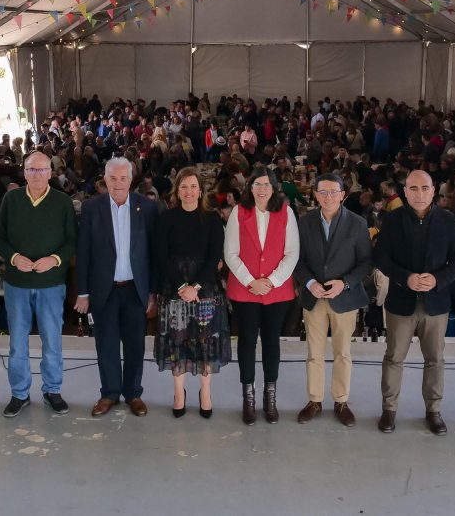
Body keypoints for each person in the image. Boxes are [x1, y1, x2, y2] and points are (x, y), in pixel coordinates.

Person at [373, 170, 455, 435]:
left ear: (433, 190)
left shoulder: (449, 221)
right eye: (413, 189)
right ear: (405, 192)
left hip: (436, 302)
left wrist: (437, 280)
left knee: (435, 358)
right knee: (394, 357)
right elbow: (381, 257)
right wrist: (405, 278)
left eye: (424, 188)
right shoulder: (392, 220)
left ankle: (433, 411)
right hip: (401, 301)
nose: (419, 194)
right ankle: (389, 409)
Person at [0, 151, 76, 419]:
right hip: (17, 284)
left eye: (42, 170)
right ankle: (19, 393)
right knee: (17, 341)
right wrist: (14, 258)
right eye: (31, 170)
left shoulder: (62, 202)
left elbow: (73, 241)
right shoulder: (12, 199)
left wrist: (55, 259)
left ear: (51, 172)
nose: (37, 175)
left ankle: (52, 390)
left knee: (52, 340)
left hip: (51, 284)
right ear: (24, 172)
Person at [76, 157, 158, 417]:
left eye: (123, 178)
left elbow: (153, 254)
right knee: (106, 345)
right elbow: (84, 251)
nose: (119, 183)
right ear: (106, 180)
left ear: (131, 180)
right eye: (113, 178)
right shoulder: (92, 208)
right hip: (104, 290)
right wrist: (83, 291)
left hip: (136, 289)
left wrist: (152, 292)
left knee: (135, 345)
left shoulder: (147, 208)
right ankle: (109, 393)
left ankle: (133, 393)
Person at [293, 173, 372, 427]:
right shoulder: (303, 222)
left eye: (333, 192)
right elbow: (298, 260)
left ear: (343, 195)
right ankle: (314, 400)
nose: (328, 197)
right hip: (314, 297)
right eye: (323, 192)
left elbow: (366, 262)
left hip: (343, 298)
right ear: (315, 194)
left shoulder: (358, 224)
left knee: (342, 353)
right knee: (314, 353)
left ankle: (341, 401)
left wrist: (345, 283)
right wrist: (310, 283)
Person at [224, 167, 298, 425]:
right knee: (246, 340)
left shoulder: (286, 213)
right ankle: (249, 397)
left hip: (276, 291)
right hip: (245, 290)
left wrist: (272, 281)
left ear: (274, 187)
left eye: (266, 184)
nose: (262, 189)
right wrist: (250, 282)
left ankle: (270, 396)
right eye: (257, 184)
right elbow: (230, 252)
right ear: (250, 187)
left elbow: (292, 253)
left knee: (271, 341)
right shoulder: (239, 212)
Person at [153, 167, 227, 419]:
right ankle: (178, 392)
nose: (189, 191)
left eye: (193, 186)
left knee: (205, 341)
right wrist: (180, 287)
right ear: (177, 190)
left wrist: (194, 286)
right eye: (184, 186)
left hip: (204, 288)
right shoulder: (167, 218)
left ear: (200, 190)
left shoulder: (212, 218)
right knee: (178, 341)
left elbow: (214, 255)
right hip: (174, 288)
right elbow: (161, 256)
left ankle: (205, 392)